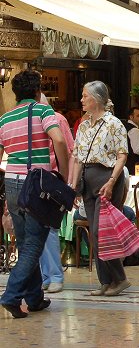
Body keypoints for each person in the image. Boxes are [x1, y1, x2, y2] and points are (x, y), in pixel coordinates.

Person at [0, 71, 69, 318]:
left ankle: (35, 298)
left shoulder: (5, 118)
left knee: (26, 241)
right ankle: (11, 296)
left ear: (15, 93)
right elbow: (59, 141)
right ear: (38, 91)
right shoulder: (42, 111)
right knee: (34, 245)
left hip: (12, 183)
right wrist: (63, 173)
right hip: (35, 185)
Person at [71, 81, 130, 297]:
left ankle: (120, 278)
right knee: (95, 233)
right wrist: (75, 186)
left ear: (95, 99)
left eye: (85, 96)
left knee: (101, 231)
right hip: (88, 179)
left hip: (106, 178)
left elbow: (122, 155)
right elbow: (77, 158)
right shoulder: (84, 125)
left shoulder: (114, 124)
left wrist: (112, 181)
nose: (82, 100)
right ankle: (105, 280)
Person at [39, 94, 74, 294]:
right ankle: (45, 276)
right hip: (36, 180)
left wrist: (65, 179)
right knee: (39, 229)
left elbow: (69, 149)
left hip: (52, 179)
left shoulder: (57, 119)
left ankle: (54, 276)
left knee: (49, 228)